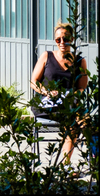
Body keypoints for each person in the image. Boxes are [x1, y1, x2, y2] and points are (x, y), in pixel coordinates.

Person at [30, 21, 88, 163]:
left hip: (68, 105)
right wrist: (46, 92)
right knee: (74, 120)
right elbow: (33, 81)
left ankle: (65, 164)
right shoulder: (46, 56)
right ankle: (66, 166)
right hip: (46, 104)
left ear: (72, 40)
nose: (62, 42)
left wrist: (73, 95)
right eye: (58, 39)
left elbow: (82, 88)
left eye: (66, 39)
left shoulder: (80, 61)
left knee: (80, 121)